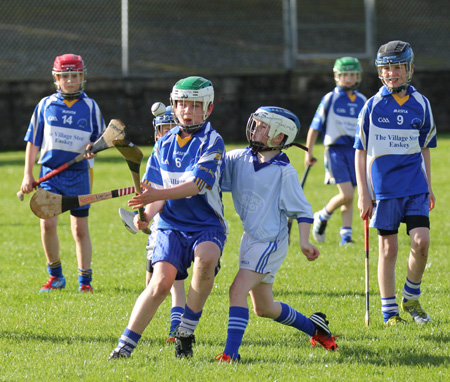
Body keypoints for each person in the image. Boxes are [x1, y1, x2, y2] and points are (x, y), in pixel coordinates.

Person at [109, 76, 227, 360]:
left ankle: (186, 329)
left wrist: (152, 197)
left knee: (207, 257)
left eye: (195, 106)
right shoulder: (163, 145)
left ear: (208, 108)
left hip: (206, 224)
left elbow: (196, 186)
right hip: (172, 225)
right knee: (160, 282)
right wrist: (146, 215)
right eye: (182, 104)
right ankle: (125, 345)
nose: (187, 111)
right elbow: (155, 192)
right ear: (173, 106)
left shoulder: (212, 141)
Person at [215, 106, 338, 364]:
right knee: (264, 308)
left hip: (270, 242)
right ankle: (316, 329)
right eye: (256, 124)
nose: (256, 129)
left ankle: (231, 354)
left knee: (236, 290)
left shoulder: (284, 172)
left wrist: (305, 241)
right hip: (250, 239)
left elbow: (303, 211)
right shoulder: (239, 158)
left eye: (263, 127)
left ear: (280, 137)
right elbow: (209, 174)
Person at [354, 41, 436, 325]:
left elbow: (424, 146)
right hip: (384, 189)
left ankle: (411, 296)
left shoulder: (421, 104)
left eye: (398, 67)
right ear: (380, 72)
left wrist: (430, 185)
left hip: (415, 185)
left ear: (409, 69)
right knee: (388, 249)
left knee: (422, 241)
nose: (392, 74)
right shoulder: (372, 106)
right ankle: (390, 312)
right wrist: (363, 193)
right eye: (386, 69)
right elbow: (360, 149)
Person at [20, 54, 105, 293]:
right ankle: (55, 276)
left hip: (79, 174)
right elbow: (33, 141)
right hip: (50, 173)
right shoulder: (45, 105)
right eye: (65, 76)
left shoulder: (90, 106)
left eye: (75, 75)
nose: (70, 80)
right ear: (56, 78)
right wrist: (28, 174)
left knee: (79, 229)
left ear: (82, 77)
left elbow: (100, 141)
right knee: (47, 224)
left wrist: (93, 150)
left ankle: (84, 281)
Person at [118, 105, 187, 343]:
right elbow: (150, 194)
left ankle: (176, 330)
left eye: (171, 128)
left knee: (175, 282)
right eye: (162, 128)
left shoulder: (185, 155)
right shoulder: (157, 155)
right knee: (152, 285)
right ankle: (145, 330)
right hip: (156, 230)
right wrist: (143, 218)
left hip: (175, 228)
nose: (166, 133)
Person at [305, 57, 367, 245]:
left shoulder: (363, 100)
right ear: (337, 76)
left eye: (352, 75)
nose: (348, 79)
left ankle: (345, 236)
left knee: (350, 195)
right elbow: (315, 127)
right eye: (344, 75)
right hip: (335, 151)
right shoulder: (330, 99)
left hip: (355, 152)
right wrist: (308, 152)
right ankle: (322, 216)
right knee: (347, 194)